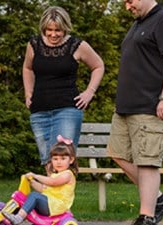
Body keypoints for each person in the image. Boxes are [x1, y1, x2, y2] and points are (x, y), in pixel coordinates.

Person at [107, 1, 163, 225]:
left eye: (130, 1)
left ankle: (147, 216)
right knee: (117, 153)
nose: (127, 6)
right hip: (126, 107)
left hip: (151, 105)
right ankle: (159, 199)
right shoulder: (138, 24)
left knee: (147, 162)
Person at [23, 6, 104, 175]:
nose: (53, 34)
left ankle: (62, 199)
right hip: (39, 111)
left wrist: (90, 92)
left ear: (65, 27)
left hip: (67, 110)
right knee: (48, 160)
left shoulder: (77, 45)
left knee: (62, 160)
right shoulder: (34, 45)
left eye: (57, 30)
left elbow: (98, 66)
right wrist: (28, 93)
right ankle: (54, 201)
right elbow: (28, 68)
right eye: (49, 30)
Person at [2, 135, 78, 225]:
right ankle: (10, 218)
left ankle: (19, 218)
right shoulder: (54, 175)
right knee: (30, 198)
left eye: (63, 159)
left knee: (34, 196)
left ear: (71, 160)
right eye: (55, 159)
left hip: (56, 206)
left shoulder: (67, 175)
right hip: (50, 203)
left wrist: (36, 176)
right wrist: (31, 182)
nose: (58, 162)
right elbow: (43, 189)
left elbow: (53, 182)